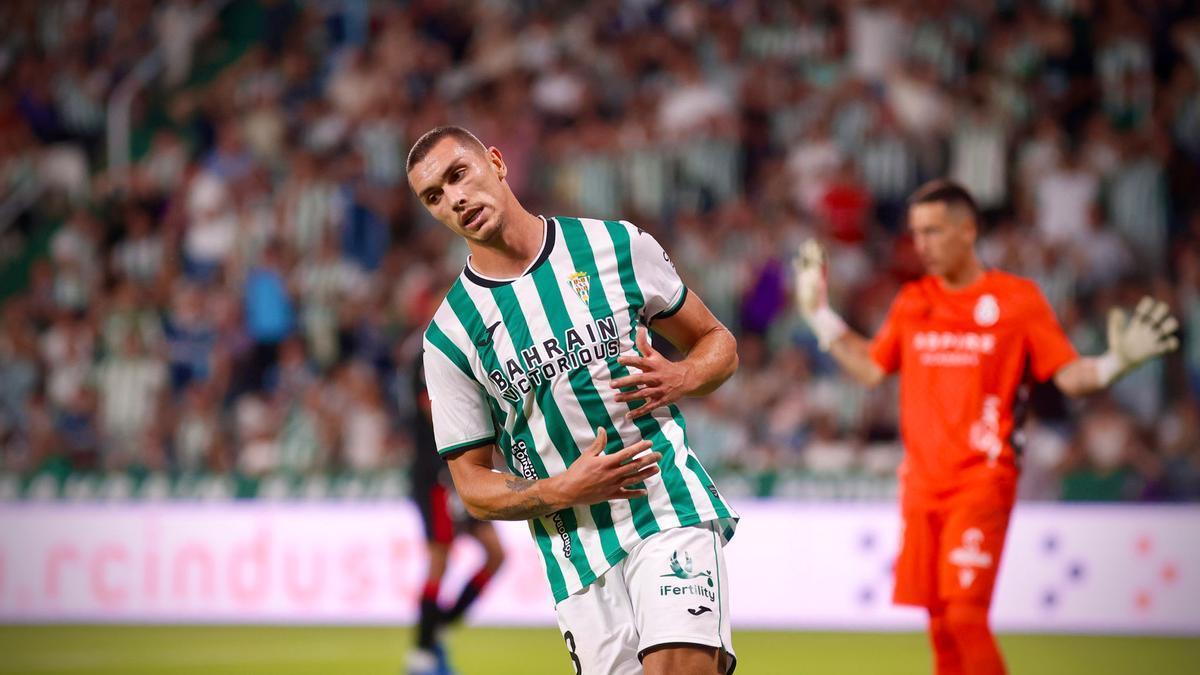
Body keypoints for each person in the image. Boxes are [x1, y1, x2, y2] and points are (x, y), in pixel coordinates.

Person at [793, 179, 1180, 675]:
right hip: (921, 485)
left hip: (982, 478)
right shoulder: (914, 300)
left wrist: (1112, 365)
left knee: (965, 616)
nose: (922, 245)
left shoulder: (1017, 300)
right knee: (940, 622)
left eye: (933, 231)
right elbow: (870, 368)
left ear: (967, 230)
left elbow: (1069, 376)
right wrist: (818, 314)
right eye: (916, 233)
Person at [408, 125, 740, 675]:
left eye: (458, 174)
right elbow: (472, 487)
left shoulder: (614, 245)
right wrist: (564, 487)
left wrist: (680, 378)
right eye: (434, 197)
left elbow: (717, 343)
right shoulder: (449, 337)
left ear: (496, 161)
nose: (455, 199)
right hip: (575, 555)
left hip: (666, 507)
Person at [407, 358, 506, 675]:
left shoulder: (473, 347)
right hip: (436, 471)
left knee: (495, 554)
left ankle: (440, 626)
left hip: (465, 468)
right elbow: (430, 407)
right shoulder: (429, 352)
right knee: (440, 556)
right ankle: (421, 651)